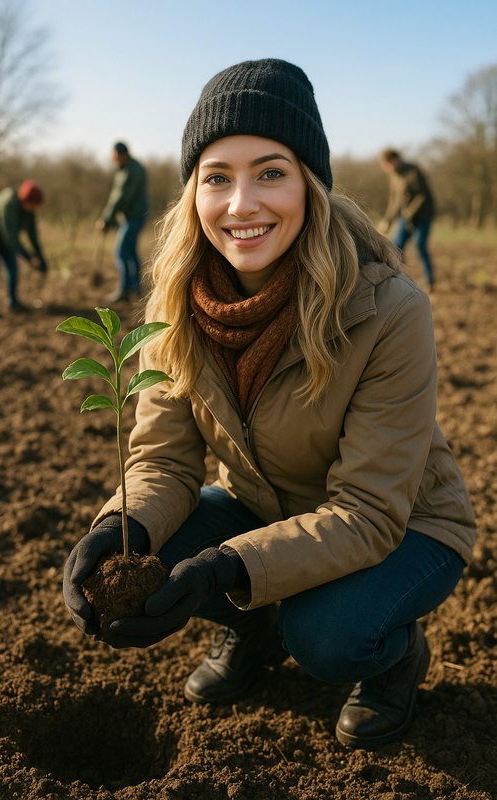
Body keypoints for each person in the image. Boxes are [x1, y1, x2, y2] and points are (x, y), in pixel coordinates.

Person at [63, 59, 476, 749]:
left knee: (325, 636)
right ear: (193, 192)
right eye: (217, 177)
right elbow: (163, 462)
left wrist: (227, 567)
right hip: (267, 509)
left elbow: (368, 510)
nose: (241, 204)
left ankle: (396, 658)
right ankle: (251, 629)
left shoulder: (387, 310)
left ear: (309, 184)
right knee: (159, 545)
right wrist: (117, 532)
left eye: (271, 172)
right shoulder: (175, 308)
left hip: (404, 524)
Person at [0, 180, 48, 318]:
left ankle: (13, 303)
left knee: (13, 268)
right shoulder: (8, 204)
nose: (35, 209)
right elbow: (11, 238)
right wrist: (29, 258)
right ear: (25, 201)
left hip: (4, 240)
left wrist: (42, 259)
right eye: (33, 205)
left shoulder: (30, 212)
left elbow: (33, 238)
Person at [96, 141, 149, 303]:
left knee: (121, 251)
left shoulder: (133, 170)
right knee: (131, 251)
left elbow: (121, 197)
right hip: (130, 216)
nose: (113, 159)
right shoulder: (125, 169)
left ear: (122, 154)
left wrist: (106, 219)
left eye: (115, 156)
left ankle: (126, 288)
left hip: (135, 216)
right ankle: (136, 288)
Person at [378, 148, 436, 291]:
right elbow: (394, 201)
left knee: (420, 245)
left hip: (422, 216)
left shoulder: (413, 171)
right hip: (405, 217)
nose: (386, 168)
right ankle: (402, 281)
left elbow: (421, 196)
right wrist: (387, 220)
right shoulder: (394, 176)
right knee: (396, 248)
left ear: (395, 160)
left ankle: (430, 281)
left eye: (387, 164)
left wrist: (409, 213)